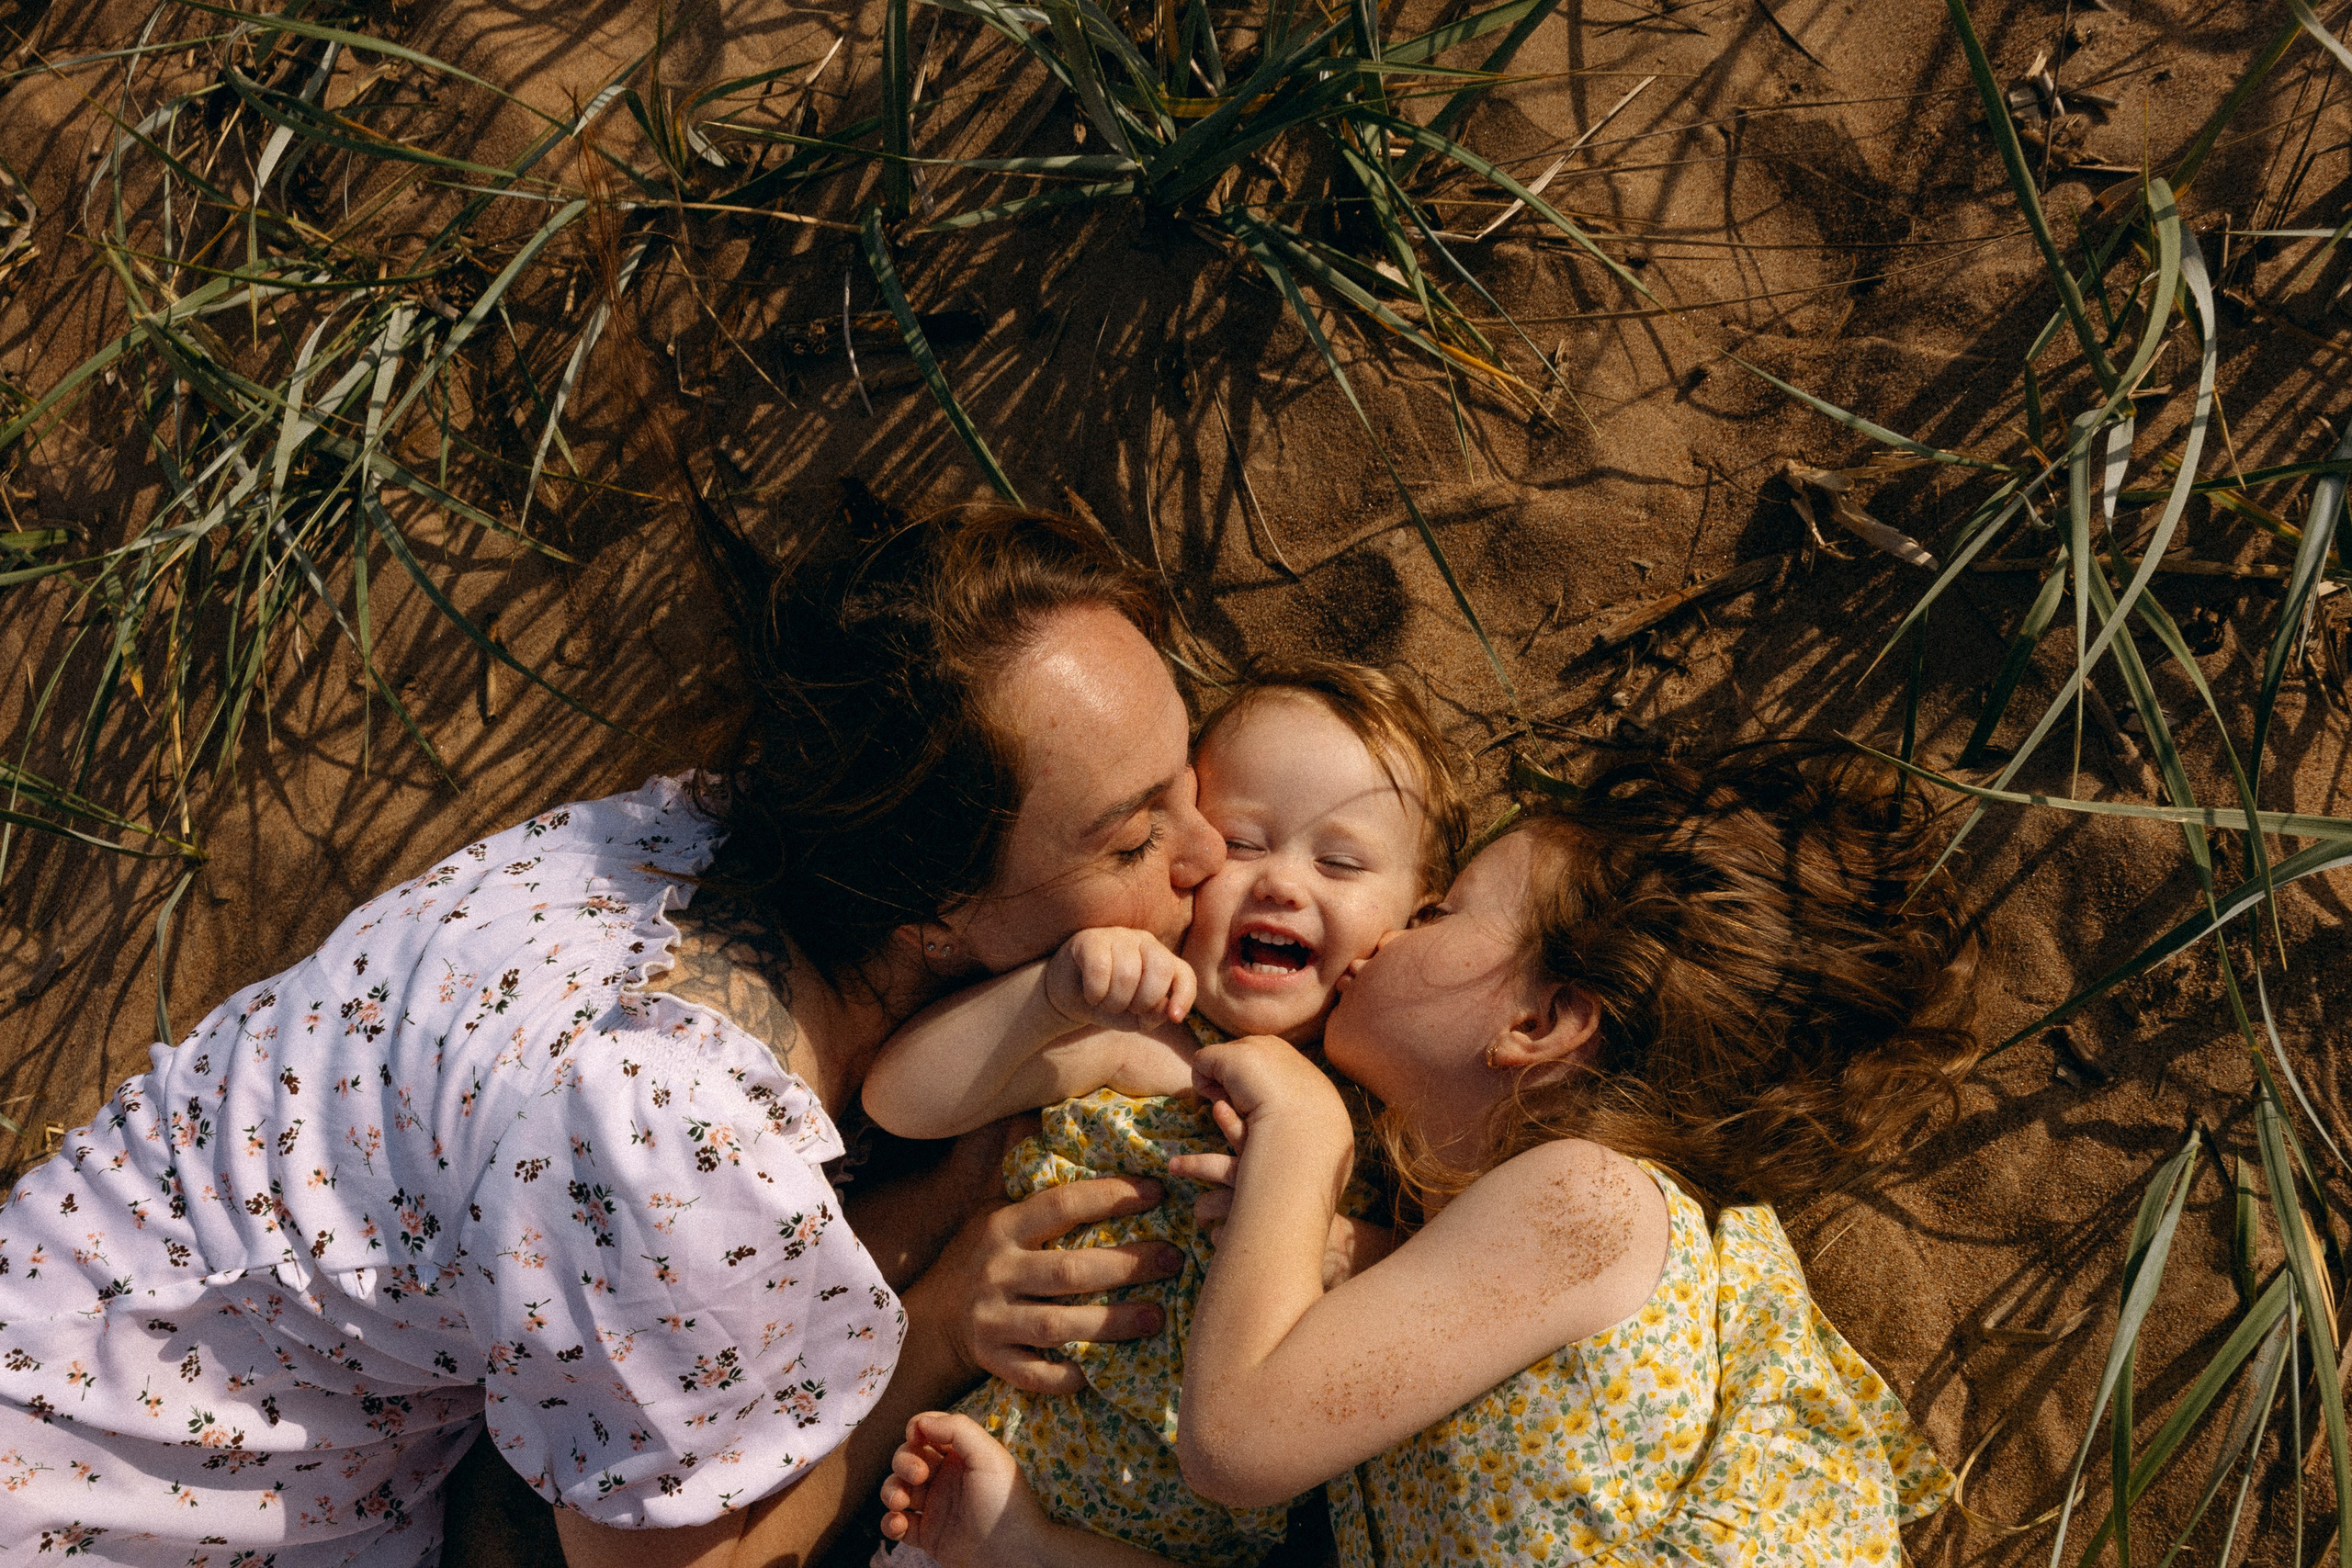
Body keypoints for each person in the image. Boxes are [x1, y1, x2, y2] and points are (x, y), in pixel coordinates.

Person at [0, 490, 1221, 1568]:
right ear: (936, 902)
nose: (1208, 851)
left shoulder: (698, 828)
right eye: (1131, 839)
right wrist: (947, 1309)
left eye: (1190, 775)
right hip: (125, 1499)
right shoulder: (674, 1134)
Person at [877, 744, 1976, 1567]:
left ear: (1539, 1028)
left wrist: (1304, 1138)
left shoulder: (1591, 1196)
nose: (1393, 934)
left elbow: (1233, 1445)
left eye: (1443, 913)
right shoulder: (1503, 1258)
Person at [862, 660, 1464, 1567]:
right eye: (1244, 844)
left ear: (1415, 925)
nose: (1281, 886)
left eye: (1338, 863)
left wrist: (1336, 1243)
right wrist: (1051, 999)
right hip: (976, 1510)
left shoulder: (1400, 1125)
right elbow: (901, 1102)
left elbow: (1449, 1288)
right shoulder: (1144, 1047)